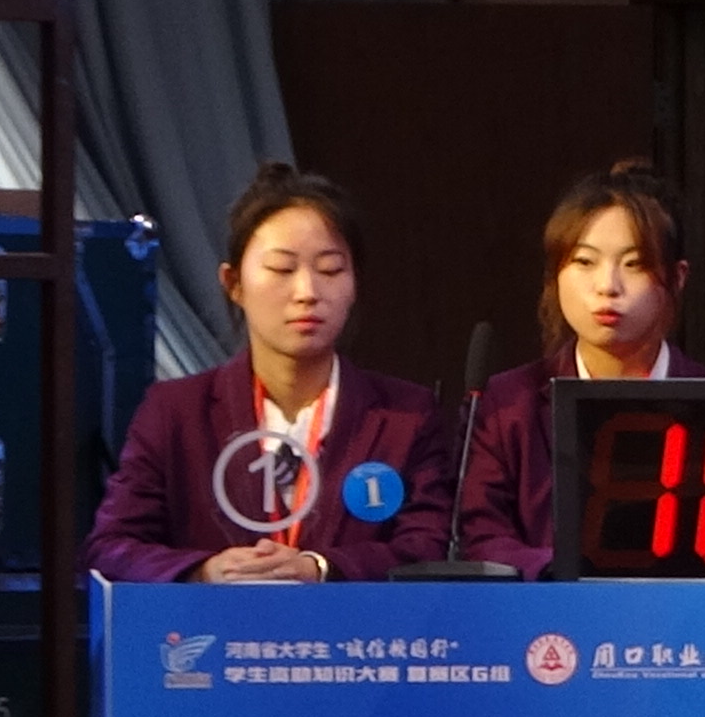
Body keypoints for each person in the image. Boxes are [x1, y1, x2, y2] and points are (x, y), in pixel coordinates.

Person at [87, 162, 452, 580]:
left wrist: (319, 568)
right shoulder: (175, 411)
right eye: (281, 269)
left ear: (355, 283)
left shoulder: (405, 416)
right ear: (234, 284)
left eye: (330, 270)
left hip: (352, 623)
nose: (307, 292)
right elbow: (110, 547)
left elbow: (428, 548)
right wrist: (203, 572)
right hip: (216, 620)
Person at [459, 160, 705, 579]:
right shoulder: (505, 405)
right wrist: (565, 572)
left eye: (634, 264)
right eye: (584, 262)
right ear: (556, 274)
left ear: (677, 278)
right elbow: (479, 534)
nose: (607, 287)